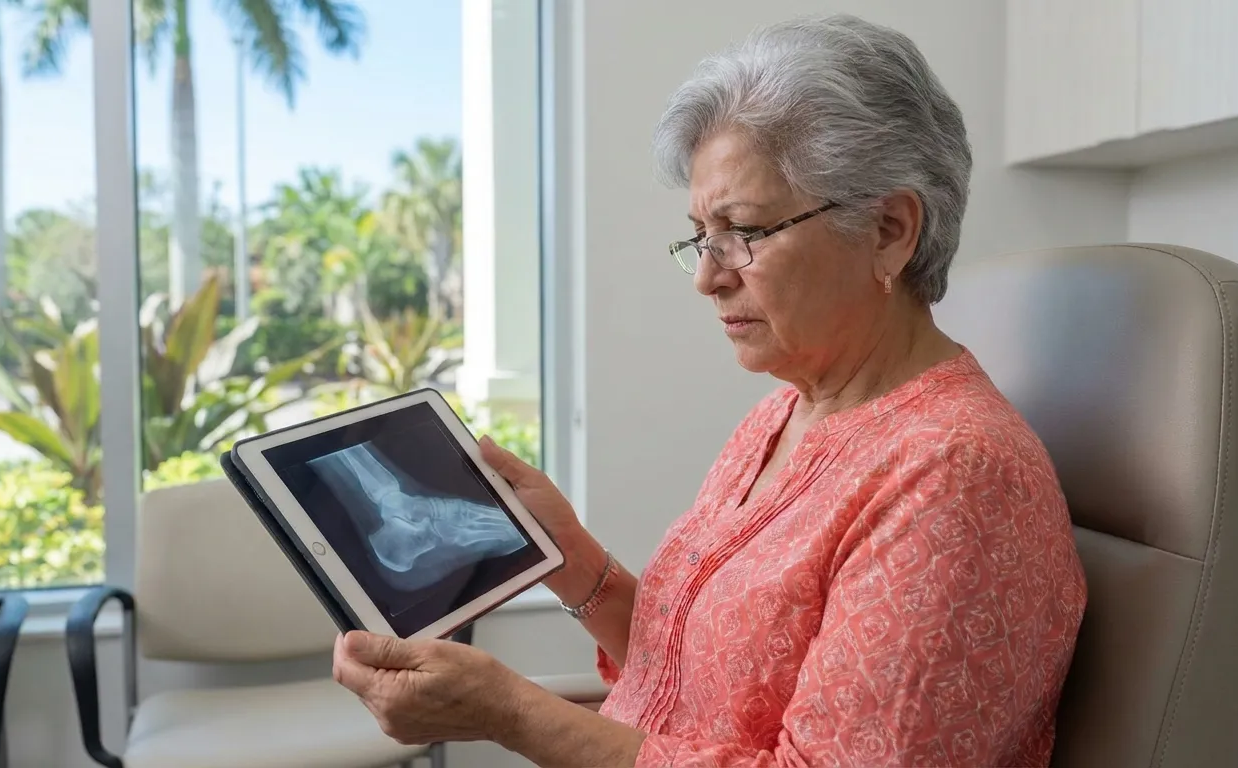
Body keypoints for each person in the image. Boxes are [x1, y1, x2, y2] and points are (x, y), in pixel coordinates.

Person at [331, 13, 1087, 767]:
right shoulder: (783, 414)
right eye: (700, 235)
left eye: (742, 232)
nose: (707, 275)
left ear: (889, 229)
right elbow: (705, 684)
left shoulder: (954, 476)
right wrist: (571, 558)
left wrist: (511, 712)